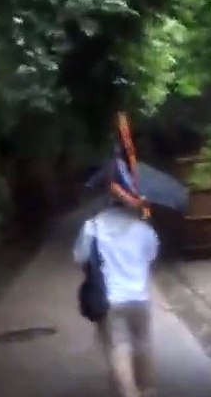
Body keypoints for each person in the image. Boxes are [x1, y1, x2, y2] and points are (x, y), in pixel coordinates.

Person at [73, 115, 160, 397]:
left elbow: (79, 257)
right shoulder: (143, 229)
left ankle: (129, 394)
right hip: (139, 296)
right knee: (143, 345)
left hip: (111, 299)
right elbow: (151, 255)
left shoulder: (93, 226)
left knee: (118, 348)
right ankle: (148, 391)